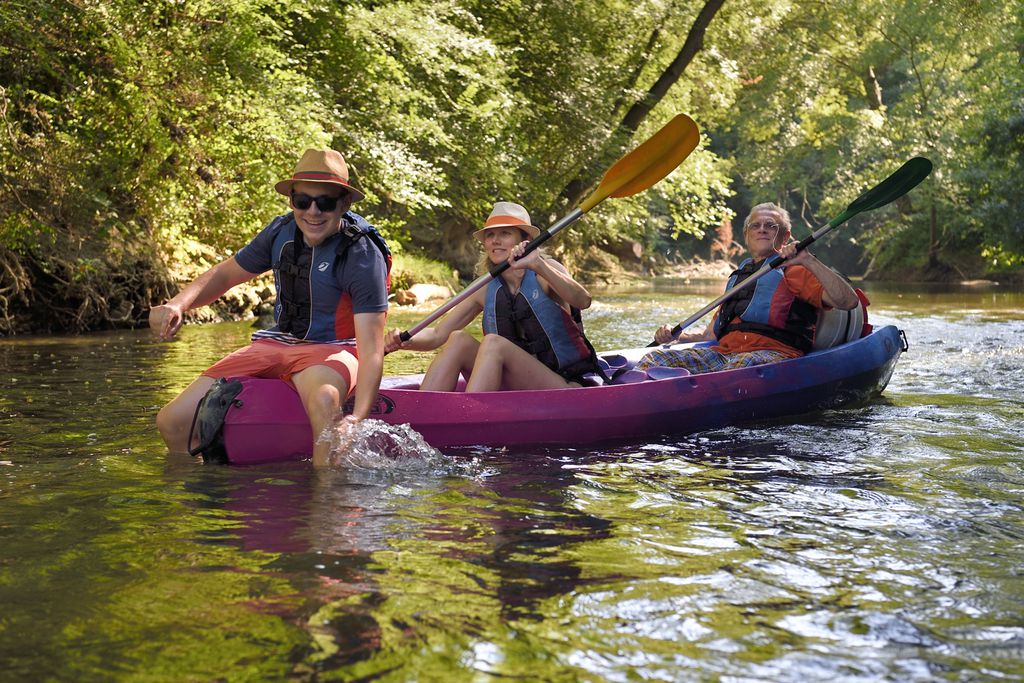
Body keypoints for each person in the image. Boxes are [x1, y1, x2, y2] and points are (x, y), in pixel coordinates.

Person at [150, 148, 389, 466]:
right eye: (303, 201)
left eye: (325, 202)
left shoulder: (360, 254)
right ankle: (200, 502)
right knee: (171, 421)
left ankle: (329, 509)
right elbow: (225, 274)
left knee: (323, 401)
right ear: (292, 200)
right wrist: (178, 304)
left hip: (333, 349)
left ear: (344, 203)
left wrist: (358, 418)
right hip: (274, 343)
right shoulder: (281, 231)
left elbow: (371, 350)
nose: (313, 212)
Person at [385, 201, 600, 392]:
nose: (495, 241)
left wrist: (538, 264)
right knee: (458, 339)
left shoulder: (546, 270)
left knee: (493, 343)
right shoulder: (485, 287)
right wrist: (404, 340)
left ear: (525, 239)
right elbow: (438, 335)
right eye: (490, 235)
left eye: (505, 233)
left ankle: (469, 421)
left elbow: (583, 301)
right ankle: (424, 415)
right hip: (515, 384)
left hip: (563, 384)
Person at [636, 202, 859, 374]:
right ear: (746, 235)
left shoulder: (795, 269)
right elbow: (710, 334)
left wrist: (808, 260)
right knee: (655, 360)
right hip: (724, 356)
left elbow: (848, 302)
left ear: (785, 236)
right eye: (756, 225)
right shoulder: (739, 277)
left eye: (771, 226)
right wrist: (675, 336)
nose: (762, 230)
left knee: (738, 367)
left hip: (773, 355)